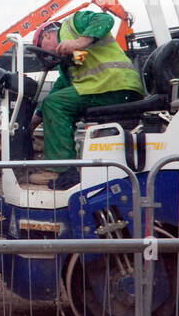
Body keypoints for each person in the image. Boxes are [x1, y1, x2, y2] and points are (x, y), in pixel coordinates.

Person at [27, 12, 144, 188]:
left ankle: (60, 171)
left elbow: (105, 19)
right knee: (55, 102)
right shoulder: (70, 58)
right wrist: (36, 119)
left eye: (41, 48)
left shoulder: (73, 24)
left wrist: (78, 43)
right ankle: (66, 167)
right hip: (111, 87)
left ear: (47, 35)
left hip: (113, 84)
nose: (45, 56)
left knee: (55, 104)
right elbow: (62, 88)